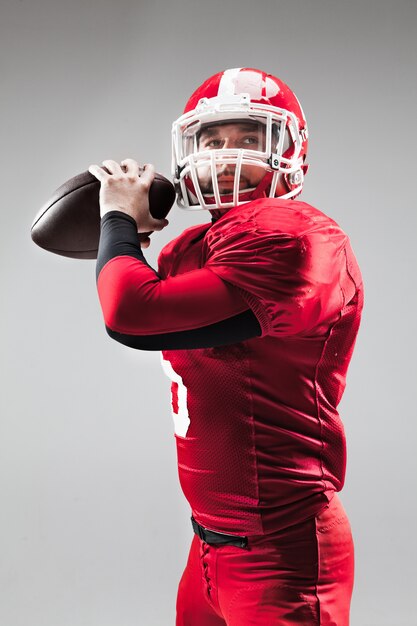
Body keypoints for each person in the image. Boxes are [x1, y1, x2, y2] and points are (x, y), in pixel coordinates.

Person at [88, 67, 364, 626]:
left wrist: (117, 219)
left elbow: (129, 314)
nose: (225, 154)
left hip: (282, 551)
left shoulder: (300, 238)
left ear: (287, 151)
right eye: (212, 140)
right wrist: (130, 239)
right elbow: (137, 297)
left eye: (247, 139)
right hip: (208, 545)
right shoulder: (192, 247)